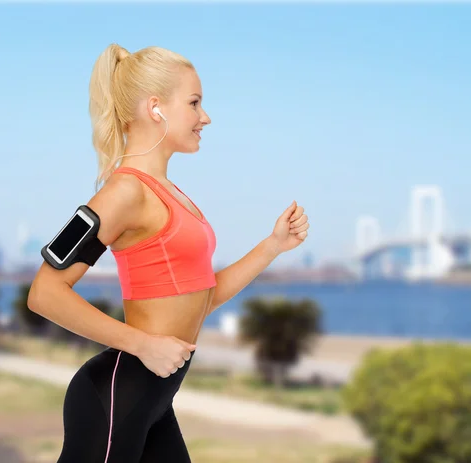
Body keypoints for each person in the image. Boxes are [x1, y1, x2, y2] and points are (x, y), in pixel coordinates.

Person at [27, 43, 309, 463]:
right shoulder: (124, 192)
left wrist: (272, 247)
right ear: (155, 108)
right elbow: (44, 293)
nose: (205, 117)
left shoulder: (174, 196)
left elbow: (202, 298)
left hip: (154, 401)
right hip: (113, 401)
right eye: (195, 103)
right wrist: (142, 344)